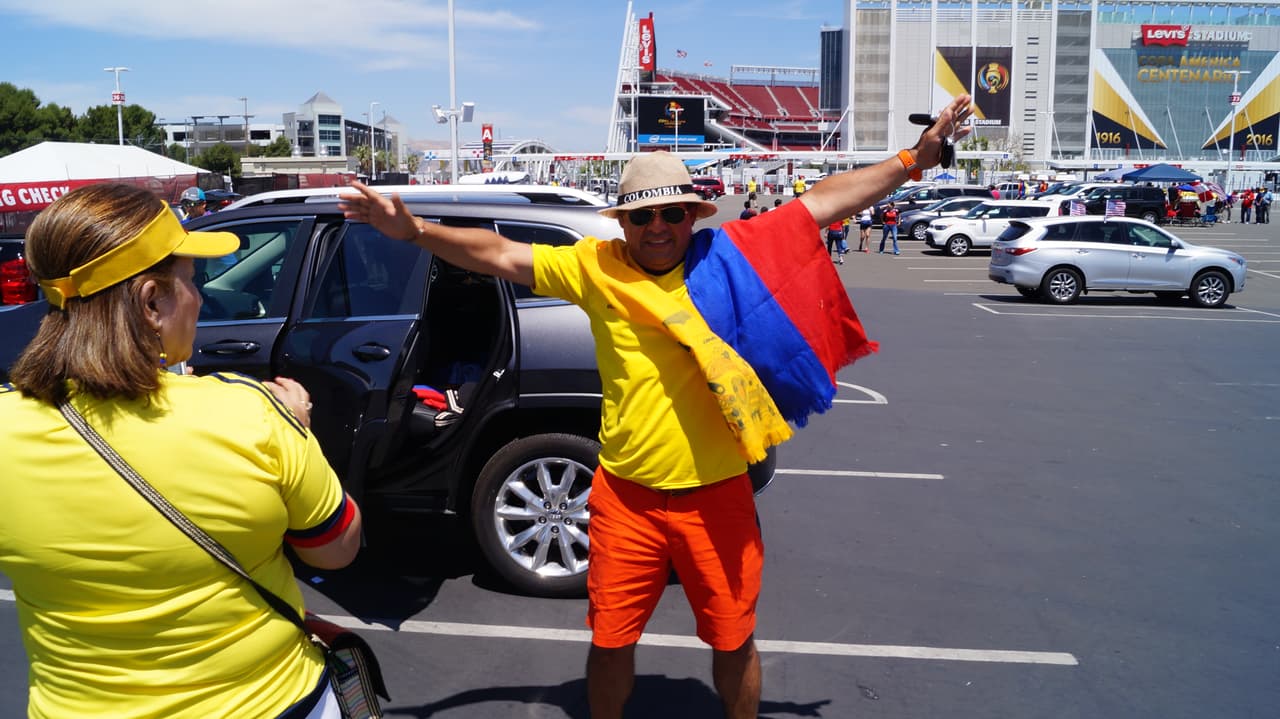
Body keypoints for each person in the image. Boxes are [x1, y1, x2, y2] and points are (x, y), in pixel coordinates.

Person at [338, 93, 973, 719]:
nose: (658, 227)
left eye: (671, 212)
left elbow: (825, 201)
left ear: (693, 214)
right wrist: (413, 230)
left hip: (718, 494)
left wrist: (914, 157)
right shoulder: (598, 268)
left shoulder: (729, 256)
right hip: (626, 497)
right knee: (611, 641)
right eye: (642, 217)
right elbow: (501, 254)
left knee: (732, 639)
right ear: (622, 223)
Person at [0, 183, 363, 719]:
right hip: (270, 703)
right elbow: (335, 549)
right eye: (192, 281)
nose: (198, 298)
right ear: (151, 302)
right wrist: (300, 428)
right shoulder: (253, 415)